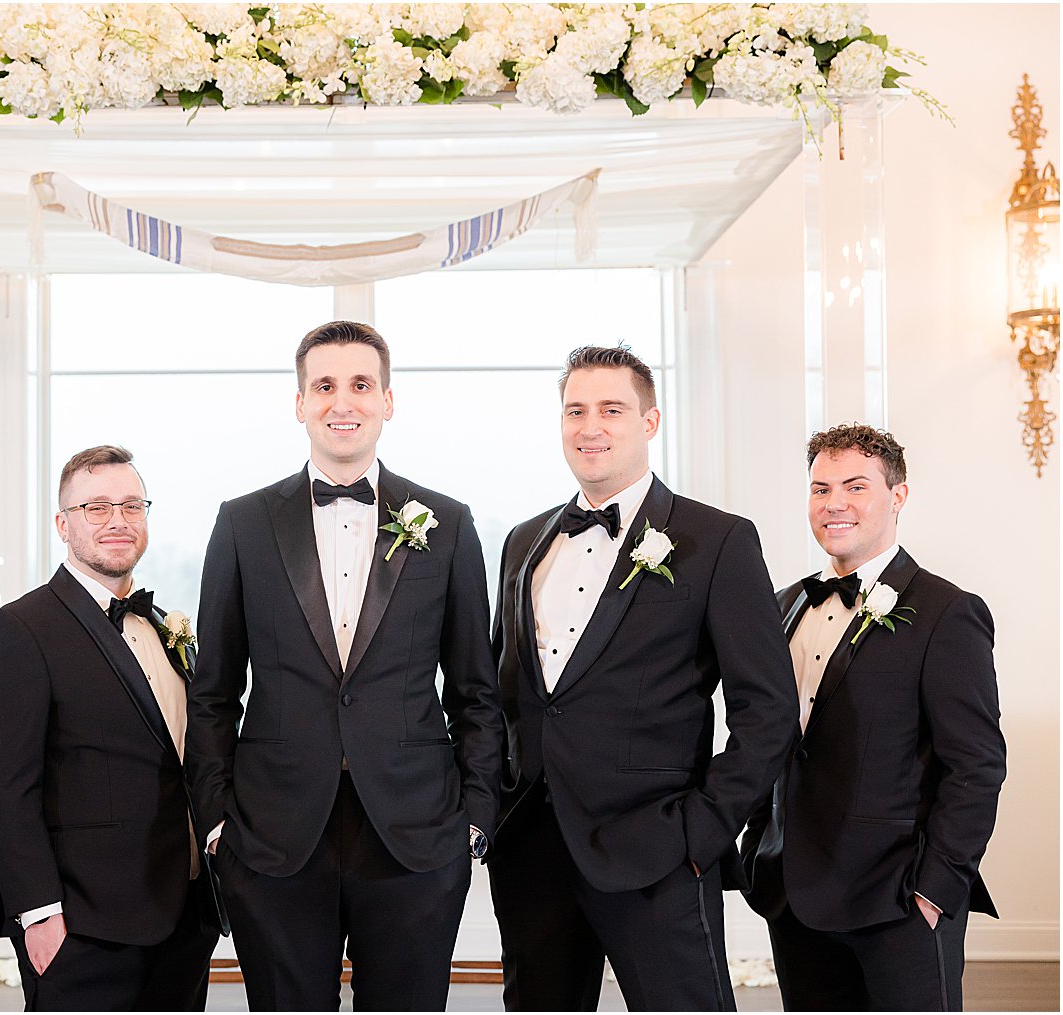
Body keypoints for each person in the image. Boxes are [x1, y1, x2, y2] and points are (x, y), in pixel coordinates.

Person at [185, 320, 502, 1011]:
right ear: (298, 402)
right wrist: (217, 819)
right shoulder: (241, 523)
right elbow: (213, 692)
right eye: (324, 385)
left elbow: (477, 690)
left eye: (360, 384)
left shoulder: (446, 523)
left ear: (389, 399)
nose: (342, 402)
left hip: (416, 835)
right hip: (273, 837)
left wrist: (473, 822)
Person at [488, 345, 798, 1011]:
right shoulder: (523, 540)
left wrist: (702, 828)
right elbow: (503, 692)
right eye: (575, 409)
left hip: (657, 849)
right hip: (534, 851)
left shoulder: (716, 539)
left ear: (650, 421)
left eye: (611, 409)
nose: (589, 426)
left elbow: (768, 710)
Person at [740, 423, 1005, 1011]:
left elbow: (977, 766)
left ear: (898, 496)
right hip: (793, 895)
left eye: (855, 486)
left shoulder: (948, 612)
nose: (834, 503)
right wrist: (758, 841)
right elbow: (771, 736)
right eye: (820, 488)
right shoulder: (782, 605)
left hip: (898, 899)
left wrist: (935, 889)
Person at [0, 445, 221, 1011]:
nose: (117, 521)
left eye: (132, 506)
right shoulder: (19, 629)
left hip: (184, 918)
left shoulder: (166, 626)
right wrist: (38, 915)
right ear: (62, 524)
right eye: (97, 507)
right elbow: (3, 788)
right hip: (83, 928)